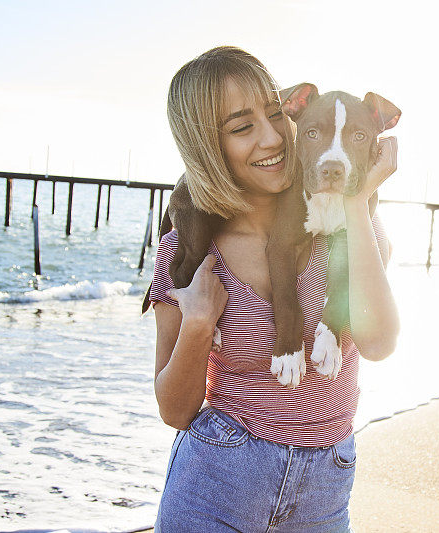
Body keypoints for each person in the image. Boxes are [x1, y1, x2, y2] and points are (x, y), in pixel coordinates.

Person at [148, 46, 399, 532]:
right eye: (243, 127)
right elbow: (175, 410)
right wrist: (199, 323)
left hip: (324, 486)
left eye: (273, 113)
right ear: (206, 146)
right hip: (217, 478)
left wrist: (359, 196)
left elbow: (379, 343)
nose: (272, 138)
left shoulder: (350, 225)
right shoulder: (189, 250)